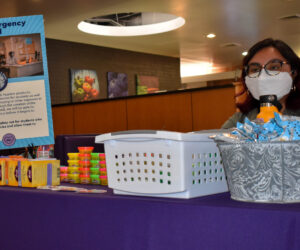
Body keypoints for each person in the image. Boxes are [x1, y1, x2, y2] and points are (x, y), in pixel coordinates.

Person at [222, 38, 300, 129]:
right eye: (255, 69)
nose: (262, 77)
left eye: (274, 67)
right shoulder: (239, 121)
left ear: (294, 72)